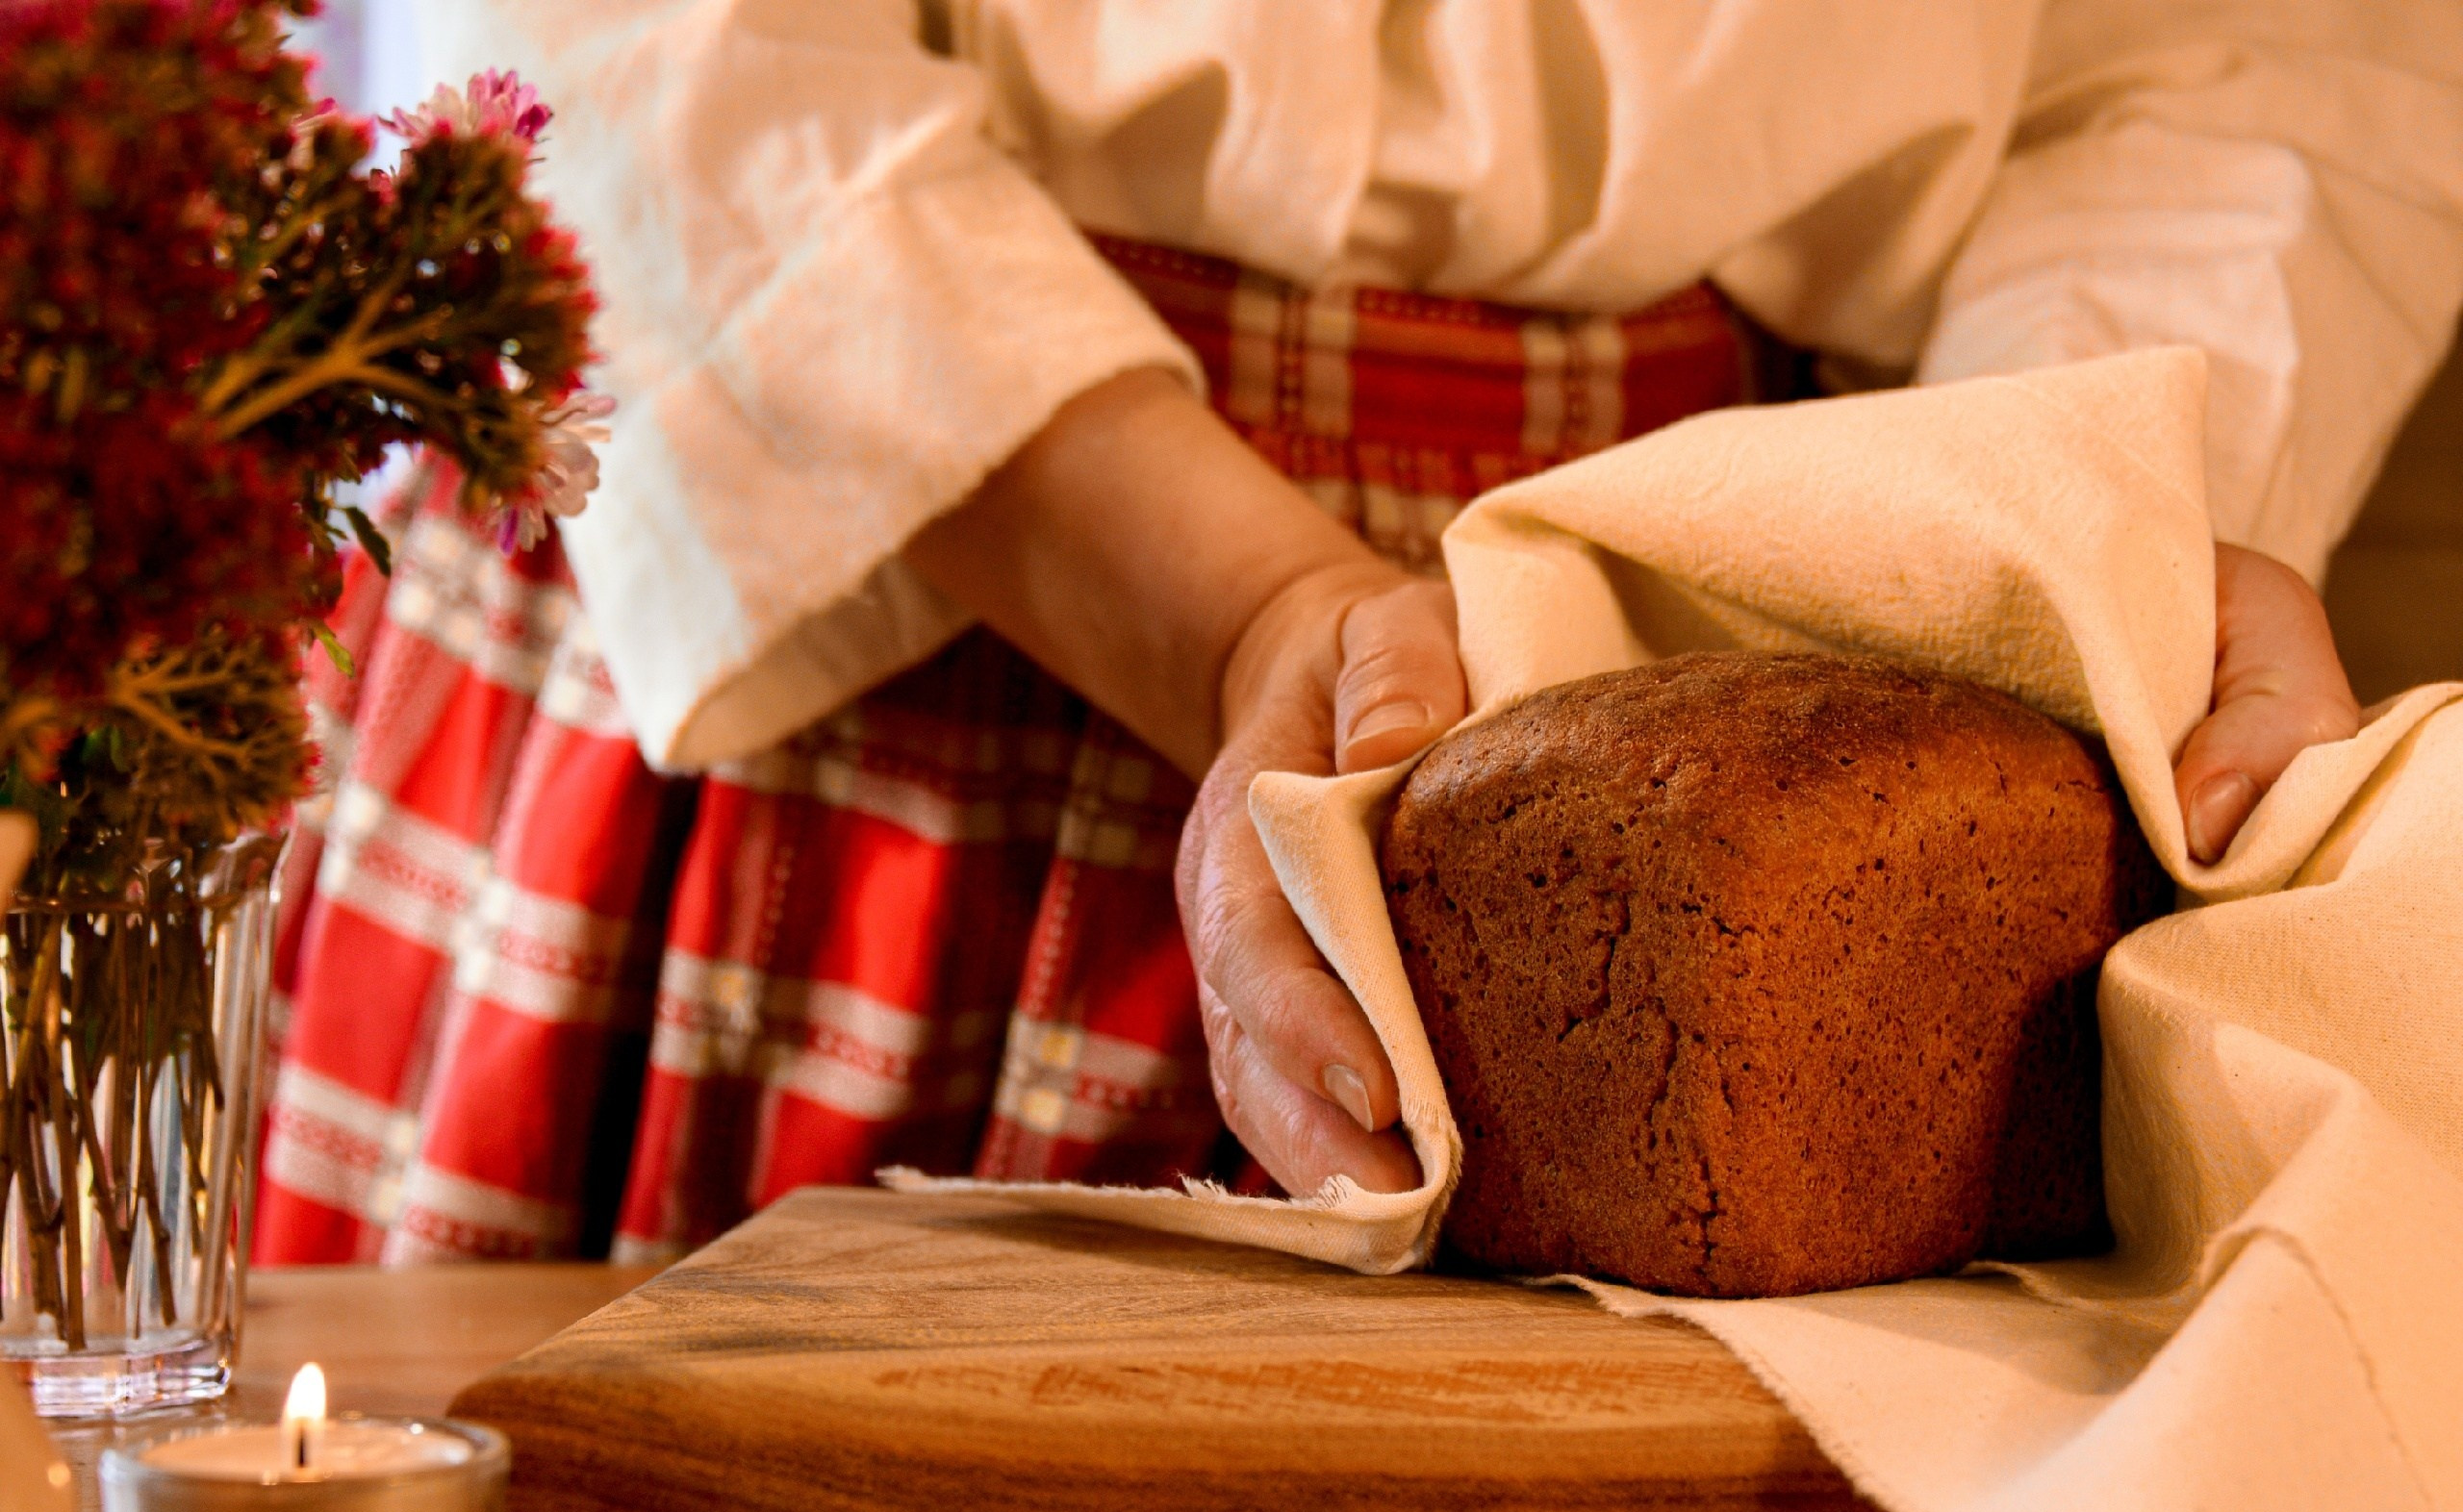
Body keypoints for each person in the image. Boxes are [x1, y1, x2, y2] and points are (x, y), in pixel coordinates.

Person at [258, 1, 2463, 1263]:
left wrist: (2063, 516)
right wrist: (1239, 601)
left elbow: (2267, 48)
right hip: (856, 618)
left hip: (1764, 633)